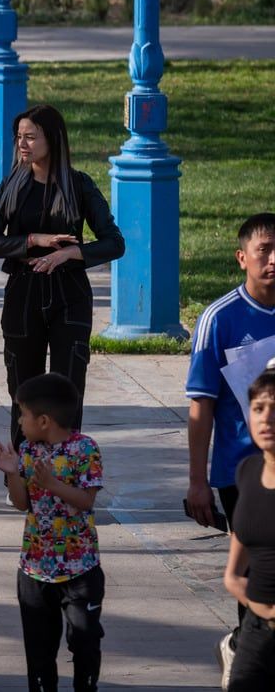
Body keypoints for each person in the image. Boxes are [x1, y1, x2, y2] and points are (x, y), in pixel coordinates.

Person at [0, 104, 124, 452]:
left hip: (69, 295)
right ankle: (21, 474)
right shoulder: (12, 185)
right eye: (19, 137)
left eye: (30, 136)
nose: (22, 144)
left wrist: (69, 254)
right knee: (22, 389)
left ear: (52, 140)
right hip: (23, 294)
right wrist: (33, 241)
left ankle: (67, 468)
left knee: (67, 387)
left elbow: (114, 242)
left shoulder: (80, 185)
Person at [185, 212, 275, 678]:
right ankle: (246, 656)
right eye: (265, 250)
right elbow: (201, 407)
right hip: (242, 472)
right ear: (243, 258)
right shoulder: (219, 319)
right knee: (259, 573)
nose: (274, 260)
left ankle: (245, 646)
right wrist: (198, 481)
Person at [0, 372, 104, 692]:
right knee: (39, 652)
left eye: (22, 414)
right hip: (35, 568)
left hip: (80, 567)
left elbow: (86, 501)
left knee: (84, 640)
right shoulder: (27, 450)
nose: (19, 421)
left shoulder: (85, 449)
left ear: (43, 420)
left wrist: (53, 485)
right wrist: (13, 474)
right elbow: (22, 502)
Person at [222, 369, 275, 689]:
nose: (266, 418)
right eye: (258, 408)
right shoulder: (247, 471)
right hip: (256, 631)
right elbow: (234, 571)